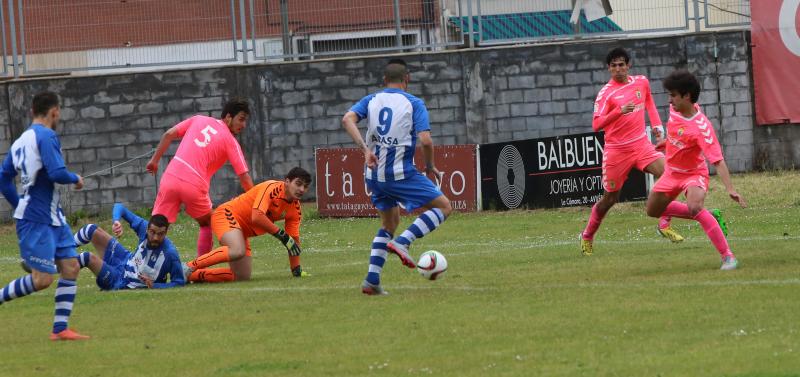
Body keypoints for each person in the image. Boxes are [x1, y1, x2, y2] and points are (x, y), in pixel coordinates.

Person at [342, 58, 453, 295]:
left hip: (373, 173)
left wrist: (365, 149)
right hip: (399, 173)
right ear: (408, 79)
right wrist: (430, 165)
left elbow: (347, 119)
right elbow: (425, 139)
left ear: (384, 80)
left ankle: (372, 281)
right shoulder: (414, 102)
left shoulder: (371, 99)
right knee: (444, 207)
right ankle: (403, 242)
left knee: (389, 222)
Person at [0, 91, 89, 340]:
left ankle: (60, 329)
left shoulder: (20, 140)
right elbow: (57, 172)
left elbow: (4, 178)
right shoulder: (47, 136)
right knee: (42, 280)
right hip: (36, 219)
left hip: (53, 216)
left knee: (71, 267)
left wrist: (19, 204)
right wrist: (76, 179)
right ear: (55, 112)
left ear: (32, 112)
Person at [580, 47, 683, 256]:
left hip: (641, 145)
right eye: (614, 66)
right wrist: (618, 111)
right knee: (610, 200)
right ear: (609, 69)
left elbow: (649, 104)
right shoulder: (605, 94)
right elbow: (596, 124)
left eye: (622, 65)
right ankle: (587, 236)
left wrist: (658, 129)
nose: (618, 69)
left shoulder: (641, 82)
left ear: (628, 66)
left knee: (671, 174)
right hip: (616, 151)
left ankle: (664, 224)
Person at [646, 70, 746, 270]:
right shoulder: (675, 110)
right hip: (671, 171)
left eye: (673, 95)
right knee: (652, 210)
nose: (670, 99)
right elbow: (678, 134)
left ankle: (728, 257)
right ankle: (709, 215)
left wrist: (730, 189)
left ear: (687, 96)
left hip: (694, 173)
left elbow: (717, 160)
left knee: (693, 207)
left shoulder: (702, 127)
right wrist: (667, 143)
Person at [146, 98, 254, 257]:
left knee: (155, 225)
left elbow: (168, 134)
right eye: (241, 119)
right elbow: (244, 178)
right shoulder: (231, 141)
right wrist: (258, 202)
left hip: (170, 177)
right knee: (207, 223)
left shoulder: (199, 119)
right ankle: (199, 269)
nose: (244, 125)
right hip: (194, 185)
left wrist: (154, 161)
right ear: (228, 117)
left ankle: (142, 265)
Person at [183, 167, 312, 283]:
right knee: (237, 250)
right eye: (298, 184)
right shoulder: (272, 188)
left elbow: (293, 240)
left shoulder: (295, 209)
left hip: (241, 230)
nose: (301, 189)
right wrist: (282, 236)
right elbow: (257, 216)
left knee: (241, 276)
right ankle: (187, 267)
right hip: (226, 214)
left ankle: (191, 276)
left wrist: (296, 269)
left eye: (305, 187)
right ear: (287, 182)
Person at [71, 203, 184, 290]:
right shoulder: (144, 228)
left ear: (166, 233)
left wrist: (155, 285)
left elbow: (179, 282)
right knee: (91, 230)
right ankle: (61, 254)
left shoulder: (170, 254)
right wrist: (116, 221)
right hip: (123, 259)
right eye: (152, 232)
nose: (155, 237)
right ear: (148, 229)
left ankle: (58, 267)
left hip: (121, 281)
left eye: (160, 234)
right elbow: (119, 206)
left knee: (87, 257)